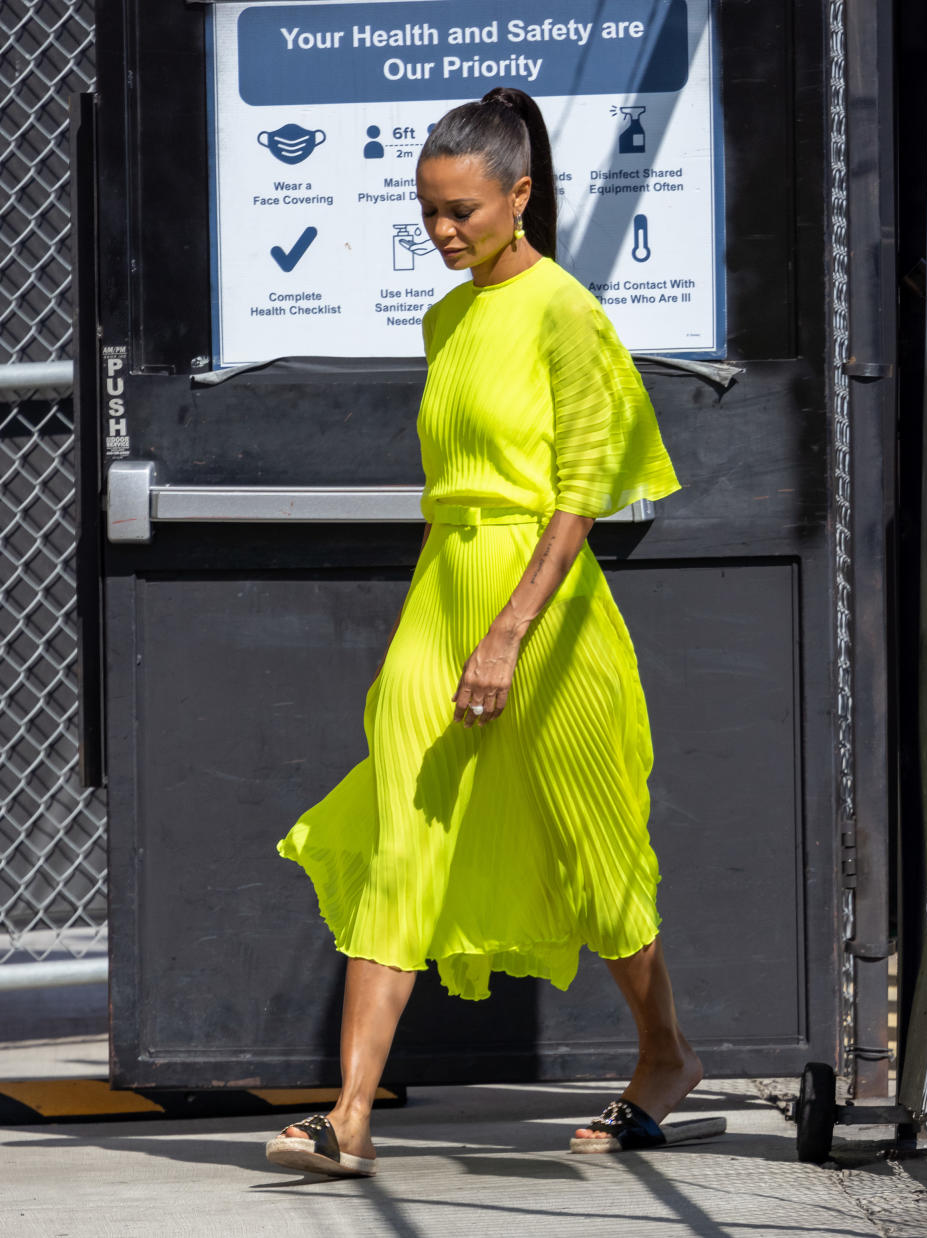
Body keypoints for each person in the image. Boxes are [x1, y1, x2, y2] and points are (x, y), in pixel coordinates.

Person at [266, 86, 720, 1180]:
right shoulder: (448, 317)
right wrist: (460, 617)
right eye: (427, 211)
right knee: (401, 827)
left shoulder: (564, 310)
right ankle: (352, 1112)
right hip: (444, 586)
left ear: (519, 195)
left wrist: (512, 627)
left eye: (463, 210)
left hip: (544, 599)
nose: (442, 231)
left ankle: (666, 1052)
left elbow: (582, 490)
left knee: (590, 844)